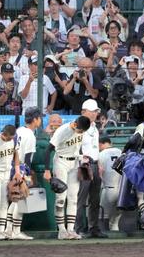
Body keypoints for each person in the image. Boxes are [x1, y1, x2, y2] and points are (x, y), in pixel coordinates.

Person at [43, 116, 91, 240]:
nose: (81, 133)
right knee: (61, 198)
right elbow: (48, 150)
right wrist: (47, 170)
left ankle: (70, 229)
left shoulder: (81, 129)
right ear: (75, 124)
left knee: (73, 197)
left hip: (74, 162)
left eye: (83, 131)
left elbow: (77, 146)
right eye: (80, 130)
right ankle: (62, 230)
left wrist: (82, 157)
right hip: (61, 162)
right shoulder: (62, 131)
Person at [5, 107, 42, 240]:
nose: (41, 120)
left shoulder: (19, 130)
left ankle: (9, 230)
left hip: (10, 166)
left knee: (14, 200)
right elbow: (27, 158)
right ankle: (16, 231)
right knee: (19, 200)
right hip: (20, 167)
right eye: (39, 118)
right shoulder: (31, 135)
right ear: (35, 119)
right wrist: (26, 174)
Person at [75, 99, 107, 238]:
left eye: (96, 111)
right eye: (93, 111)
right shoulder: (78, 127)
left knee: (95, 199)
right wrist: (83, 159)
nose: (95, 114)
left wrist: (99, 164)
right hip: (84, 165)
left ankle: (93, 228)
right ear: (84, 112)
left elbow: (95, 148)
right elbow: (76, 147)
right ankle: (78, 229)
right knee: (81, 198)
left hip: (94, 164)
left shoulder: (94, 127)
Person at [98, 136, 122, 231]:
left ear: (101, 143)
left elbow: (100, 172)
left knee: (102, 214)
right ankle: (115, 230)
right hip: (122, 190)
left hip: (108, 188)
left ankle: (103, 233)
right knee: (116, 216)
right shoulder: (120, 152)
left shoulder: (101, 154)